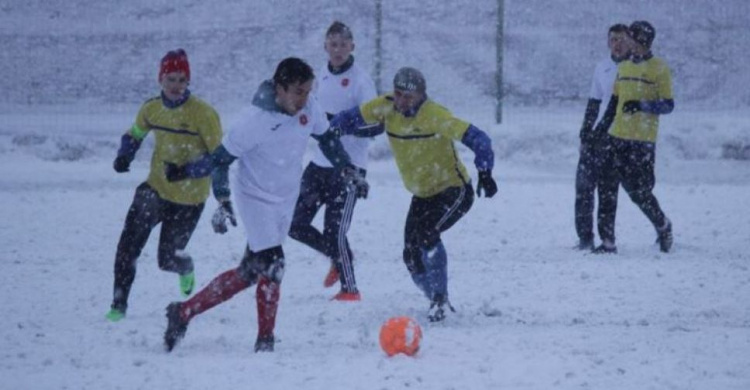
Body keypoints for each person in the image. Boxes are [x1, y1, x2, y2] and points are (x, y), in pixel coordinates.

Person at [163, 57, 361, 353]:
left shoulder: (309, 107)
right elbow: (219, 161)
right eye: (297, 91)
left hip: (285, 197)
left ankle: (183, 312)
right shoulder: (253, 121)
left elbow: (327, 139)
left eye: (307, 91)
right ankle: (265, 342)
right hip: (255, 198)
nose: (303, 98)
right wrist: (191, 177)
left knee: (250, 272)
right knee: (274, 264)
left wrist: (346, 167)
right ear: (279, 89)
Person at [328, 67, 497, 322]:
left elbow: (478, 138)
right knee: (410, 256)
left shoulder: (435, 115)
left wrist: (485, 171)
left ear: (421, 95)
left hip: (454, 191)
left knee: (428, 234)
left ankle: (440, 300)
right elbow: (348, 119)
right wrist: (328, 130)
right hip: (422, 195)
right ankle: (435, 299)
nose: (402, 101)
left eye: (409, 96)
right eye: (398, 94)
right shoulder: (385, 106)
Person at [105, 49, 223, 322]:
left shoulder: (203, 114)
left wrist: (186, 170)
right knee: (127, 247)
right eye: (171, 79)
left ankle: (184, 266)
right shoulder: (151, 108)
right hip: (155, 189)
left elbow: (219, 158)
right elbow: (135, 133)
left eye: (182, 80)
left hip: (189, 200)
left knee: (166, 260)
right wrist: (125, 153)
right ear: (160, 79)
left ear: (188, 82)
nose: (176, 86)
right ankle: (118, 305)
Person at [288, 21, 378, 301]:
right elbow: (314, 118)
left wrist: (342, 127)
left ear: (352, 47)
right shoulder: (319, 79)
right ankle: (338, 258)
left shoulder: (362, 81)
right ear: (325, 47)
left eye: (343, 44)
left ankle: (350, 290)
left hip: (349, 168)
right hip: (319, 165)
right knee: (294, 224)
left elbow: (377, 126)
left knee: (334, 230)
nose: (337, 50)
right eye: (333, 44)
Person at [594, 21, 675, 254]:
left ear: (641, 40)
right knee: (607, 187)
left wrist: (642, 105)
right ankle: (607, 242)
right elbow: (615, 102)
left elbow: (668, 104)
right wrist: (601, 129)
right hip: (616, 137)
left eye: (629, 37)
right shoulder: (625, 66)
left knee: (638, 192)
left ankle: (662, 224)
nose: (624, 41)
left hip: (641, 141)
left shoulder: (659, 68)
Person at [574, 24, 630, 251]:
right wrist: (585, 133)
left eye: (622, 40)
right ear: (608, 42)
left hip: (617, 137)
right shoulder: (602, 68)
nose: (618, 44)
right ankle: (585, 237)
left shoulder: (633, 70)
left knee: (608, 190)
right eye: (614, 39)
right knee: (583, 187)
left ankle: (608, 240)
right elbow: (594, 103)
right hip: (596, 136)